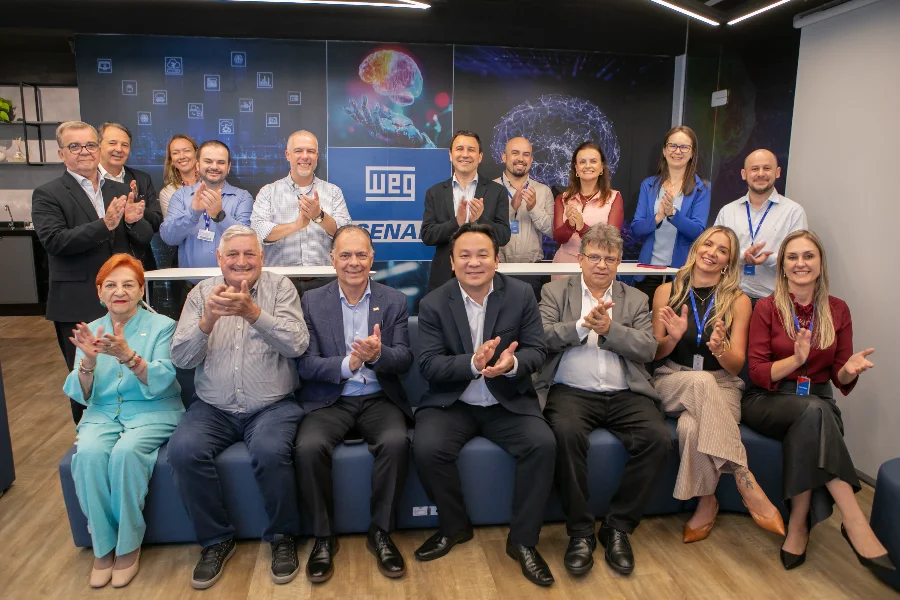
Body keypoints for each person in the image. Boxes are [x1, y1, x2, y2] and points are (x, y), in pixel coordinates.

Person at [742, 230, 895, 575]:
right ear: (782, 266)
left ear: (820, 263)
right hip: (768, 399)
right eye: (793, 257)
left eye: (808, 256)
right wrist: (795, 361)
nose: (800, 263)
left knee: (814, 413)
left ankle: (798, 522)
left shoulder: (838, 309)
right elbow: (757, 371)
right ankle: (854, 520)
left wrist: (849, 370)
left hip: (818, 400)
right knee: (815, 410)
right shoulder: (766, 307)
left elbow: (839, 378)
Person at [413, 223, 556, 587]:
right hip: (453, 402)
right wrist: (472, 364)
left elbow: (538, 350)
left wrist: (512, 365)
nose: (473, 263)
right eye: (464, 255)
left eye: (482, 255)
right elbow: (428, 364)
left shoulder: (521, 294)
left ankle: (522, 542)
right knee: (426, 447)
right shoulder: (433, 302)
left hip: (506, 399)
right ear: (451, 261)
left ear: (496, 259)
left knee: (542, 445)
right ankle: (454, 527)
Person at [167, 225, 309, 589]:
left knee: (270, 450)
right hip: (213, 408)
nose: (241, 261)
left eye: (250, 254)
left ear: (262, 258)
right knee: (183, 450)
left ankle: (283, 538)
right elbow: (181, 358)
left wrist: (253, 313)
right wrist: (208, 321)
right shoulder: (200, 293)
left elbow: (297, 345)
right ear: (219, 258)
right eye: (233, 255)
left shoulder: (281, 288)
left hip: (273, 405)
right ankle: (216, 541)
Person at [537, 223, 670, 576]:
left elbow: (648, 348)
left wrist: (610, 330)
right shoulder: (555, 293)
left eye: (609, 258)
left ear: (619, 261)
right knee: (564, 435)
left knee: (658, 438)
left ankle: (618, 527)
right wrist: (582, 326)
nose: (601, 264)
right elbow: (543, 338)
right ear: (580, 259)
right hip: (570, 391)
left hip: (625, 392)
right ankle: (580, 533)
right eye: (594, 256)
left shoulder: (636, 298)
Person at [294, 225, 413, 583]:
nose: (353, 262)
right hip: (332, 399)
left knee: (396, 442)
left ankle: (381, 532)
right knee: (308, 447)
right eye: (345, 255)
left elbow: (404, 359)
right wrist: (350, 364)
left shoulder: (394, 299)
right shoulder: (312, 301)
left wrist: (378, 356)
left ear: (372, 258)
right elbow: (305, 364)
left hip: (379, 397)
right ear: (332, 259)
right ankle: (323, 537)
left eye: (361, 254)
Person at [650, 226, 784, 543]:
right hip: (673, 378)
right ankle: (742, 474)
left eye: (722, 250)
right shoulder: (665, 292)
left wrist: (721, 349)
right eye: (708, 244)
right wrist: (673, 337)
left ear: (728, 261)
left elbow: (738, 364)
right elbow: (654, 355)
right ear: (696, 248)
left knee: (690, 428)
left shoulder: (738, 301)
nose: (712, 252)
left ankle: (706, 502)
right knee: (697, 380)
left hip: (721, 383)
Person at [63, 254, 183, 589]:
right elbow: (82, 393)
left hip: (154, 410)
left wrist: (128, 356)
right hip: (102, 414)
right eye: (111, 285)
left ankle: (128, 546)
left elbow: (165, 378)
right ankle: (104, 547)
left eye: (129, 284)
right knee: (87, 455)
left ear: (141, 290)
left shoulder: (163, 326)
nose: (120, 291)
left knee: (126, 454)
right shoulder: (90, 330)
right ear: (99, 292)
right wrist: (87, 360)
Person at [32, 121, 152, 424]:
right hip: (76, 302)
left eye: (89, 145)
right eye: (74, 146)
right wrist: (105, 225)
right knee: (87, 375)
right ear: (61, 153)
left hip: (122, 302)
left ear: (98, 150)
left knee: (126, 370)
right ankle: (87, 440)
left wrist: (135, 221)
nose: (83, 151)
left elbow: (143, 238)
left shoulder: (121, 188)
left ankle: (131, 429)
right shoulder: (48, 194)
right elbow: (54, 242)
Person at [250, 130, 352, 294]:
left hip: (326, 282)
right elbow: (258, 232)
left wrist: (319, 216)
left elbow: (346, 235)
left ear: (317, 156)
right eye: (298, 151)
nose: (305, 156)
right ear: (288, 155)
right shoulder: (268, 192)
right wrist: (297, 225)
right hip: (279, 283)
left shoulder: (333, 192)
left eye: (310, 151)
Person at [713, 149, 807, 304]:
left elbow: (799, 261)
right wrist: (743, 256)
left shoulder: (793, 212)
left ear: (777, 172)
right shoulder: (728, 211)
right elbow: (714, 252)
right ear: (744, 174)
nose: (761, 174)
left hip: (775, 301)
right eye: (755, 169)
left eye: (767, 168)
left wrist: (766, 259)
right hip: (730, 299)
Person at [421, 130, 511, 291]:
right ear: (450, 155)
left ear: (480, 156)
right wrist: (457, 222)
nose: (465, 154)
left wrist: (480, 220)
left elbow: (503, 236)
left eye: (471, 150)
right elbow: (428, 235)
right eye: (459, 149)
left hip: (483, 277)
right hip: (444, 278)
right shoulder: (435, 192)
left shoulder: (497, 191)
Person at [631, 126, 710, 304]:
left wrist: (673, 214)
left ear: (692, 153)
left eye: (684, 147)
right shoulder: (649, 185)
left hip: (681, 273)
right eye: (673, 146)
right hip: (648, 272)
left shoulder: (701, 188)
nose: (677, 151)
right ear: (665, 151)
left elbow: (698, 232)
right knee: (645, 328)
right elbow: (636, 229)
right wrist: (658, 217)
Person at [160, 140, 253, 269]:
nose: (214, 167)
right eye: (208, 161)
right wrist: (193, 215)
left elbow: (246, 242)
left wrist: (220, 216)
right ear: (197, 165)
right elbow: (169, 238)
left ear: (229, 167)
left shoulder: (242, 197)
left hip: (232, 283)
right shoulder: (181, 195)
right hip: (191, 285)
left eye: (221, 162)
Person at [493, 136, 554, 299]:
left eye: (526, 154)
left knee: (530, 323)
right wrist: (510, 209)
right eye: (515, 153)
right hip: (497, 270)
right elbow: (485, 229)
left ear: (531, 159)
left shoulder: (543, 191)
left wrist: (533, 208)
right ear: (504, 157)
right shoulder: (490, 189)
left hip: (532, 271)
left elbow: (552, 231)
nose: (521, 159)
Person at [552, 142, 624, 274]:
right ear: (576, 168)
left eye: (593, 161)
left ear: (601, 167)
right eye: (582, 162)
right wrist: (569, 224)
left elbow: (612, 241)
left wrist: (582, 227)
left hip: (599, 267)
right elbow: (558, 238)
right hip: (564, 266)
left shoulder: (614, 198)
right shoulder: (562, 199)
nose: (588, 166)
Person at [159, 134, 200, 219]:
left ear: (196, 153)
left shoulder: (212, 184)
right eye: (175, 153)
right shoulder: (167, 193)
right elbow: (171, 229)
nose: (182, 156)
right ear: (171, 160)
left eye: (187, 151)